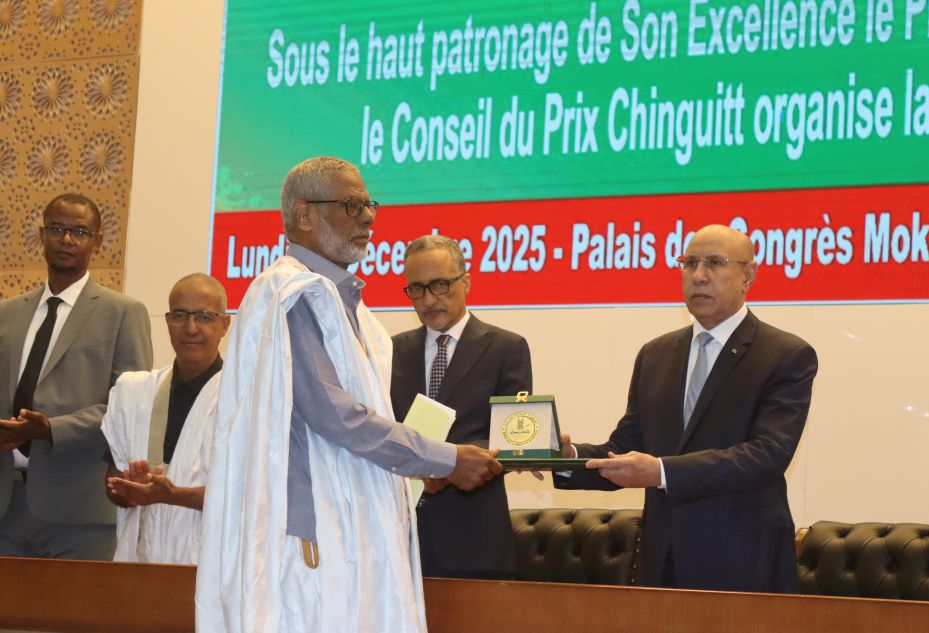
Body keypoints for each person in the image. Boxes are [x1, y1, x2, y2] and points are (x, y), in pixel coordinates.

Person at [196, 157, 503, 633]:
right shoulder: (290, 293)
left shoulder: (354, 311)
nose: (368, 217)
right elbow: (335, 415)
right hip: (310, 539)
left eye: (369, 204)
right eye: (352, 205)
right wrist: (443, 459)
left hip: (352, 528)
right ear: (305, 215)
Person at [556, 224, 818, 593]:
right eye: (690, 263)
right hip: (662, 558)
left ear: (748, 275)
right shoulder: (656, 354)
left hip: (742, 561)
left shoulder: (785, 355)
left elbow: (767, 455)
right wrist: (567, 458)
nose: (698, 276)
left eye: (714, 263)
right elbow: (627, 447)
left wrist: (661, 471)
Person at [0, 193, 152, 560]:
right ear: (42, 236)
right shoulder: (7, 313)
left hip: (79, 514)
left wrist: (50, 429)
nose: (67, 239)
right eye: (57, 229)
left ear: (97, 242)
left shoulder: (123, 313)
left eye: (79, 232)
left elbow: (129, 408)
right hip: (6, 507)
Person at [391, 235, 532, 580]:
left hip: (473, 539)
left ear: (465, 282)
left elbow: (513, 437)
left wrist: (443, 464)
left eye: (439, 285)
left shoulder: (506, 348)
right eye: (416, 289)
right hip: (398, 540)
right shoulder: (390, 351)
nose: (428, 299)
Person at [101, 273, 230, 564]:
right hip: (140, 565)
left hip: (213, 567)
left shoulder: (245, 398)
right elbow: (113, 481)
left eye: (205, 316)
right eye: (180, 316)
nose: (191, 328)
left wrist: (171, 495)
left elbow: (249, 496)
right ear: (168, 322)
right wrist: (130, 489)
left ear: (225, 324)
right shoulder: (135, 392)